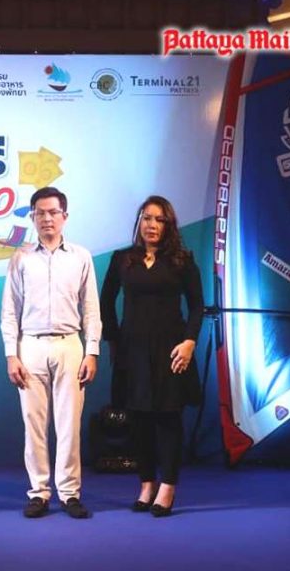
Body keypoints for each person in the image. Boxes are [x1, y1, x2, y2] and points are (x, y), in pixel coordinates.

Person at [1, 186, 102, 519]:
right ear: (32, 217)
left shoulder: (81, 256)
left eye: (53, 212)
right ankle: (39, 492)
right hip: (30, 345)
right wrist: (11, 354)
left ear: (64, 216)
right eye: (40, 213)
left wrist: (92, 351)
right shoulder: (21, 258)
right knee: (34, 425)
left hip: (70, 344)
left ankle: (70, 493)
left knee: (70, 424)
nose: (47, 218)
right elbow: (10, 310)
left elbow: (91, 308)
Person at [100, 195, 203, 517]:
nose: (152, 225)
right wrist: (113, 340)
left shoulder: (182, 260)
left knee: (168, 419)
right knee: (138, 419)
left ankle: (168, 486)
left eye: (159, 219)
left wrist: (189, 342)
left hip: (172, 351)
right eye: (147, 218)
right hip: (132, 351)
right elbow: (106, 302)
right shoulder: (122, 259)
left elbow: (197, 305)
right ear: (139, 222)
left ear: (168, 225)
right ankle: (147, 484)